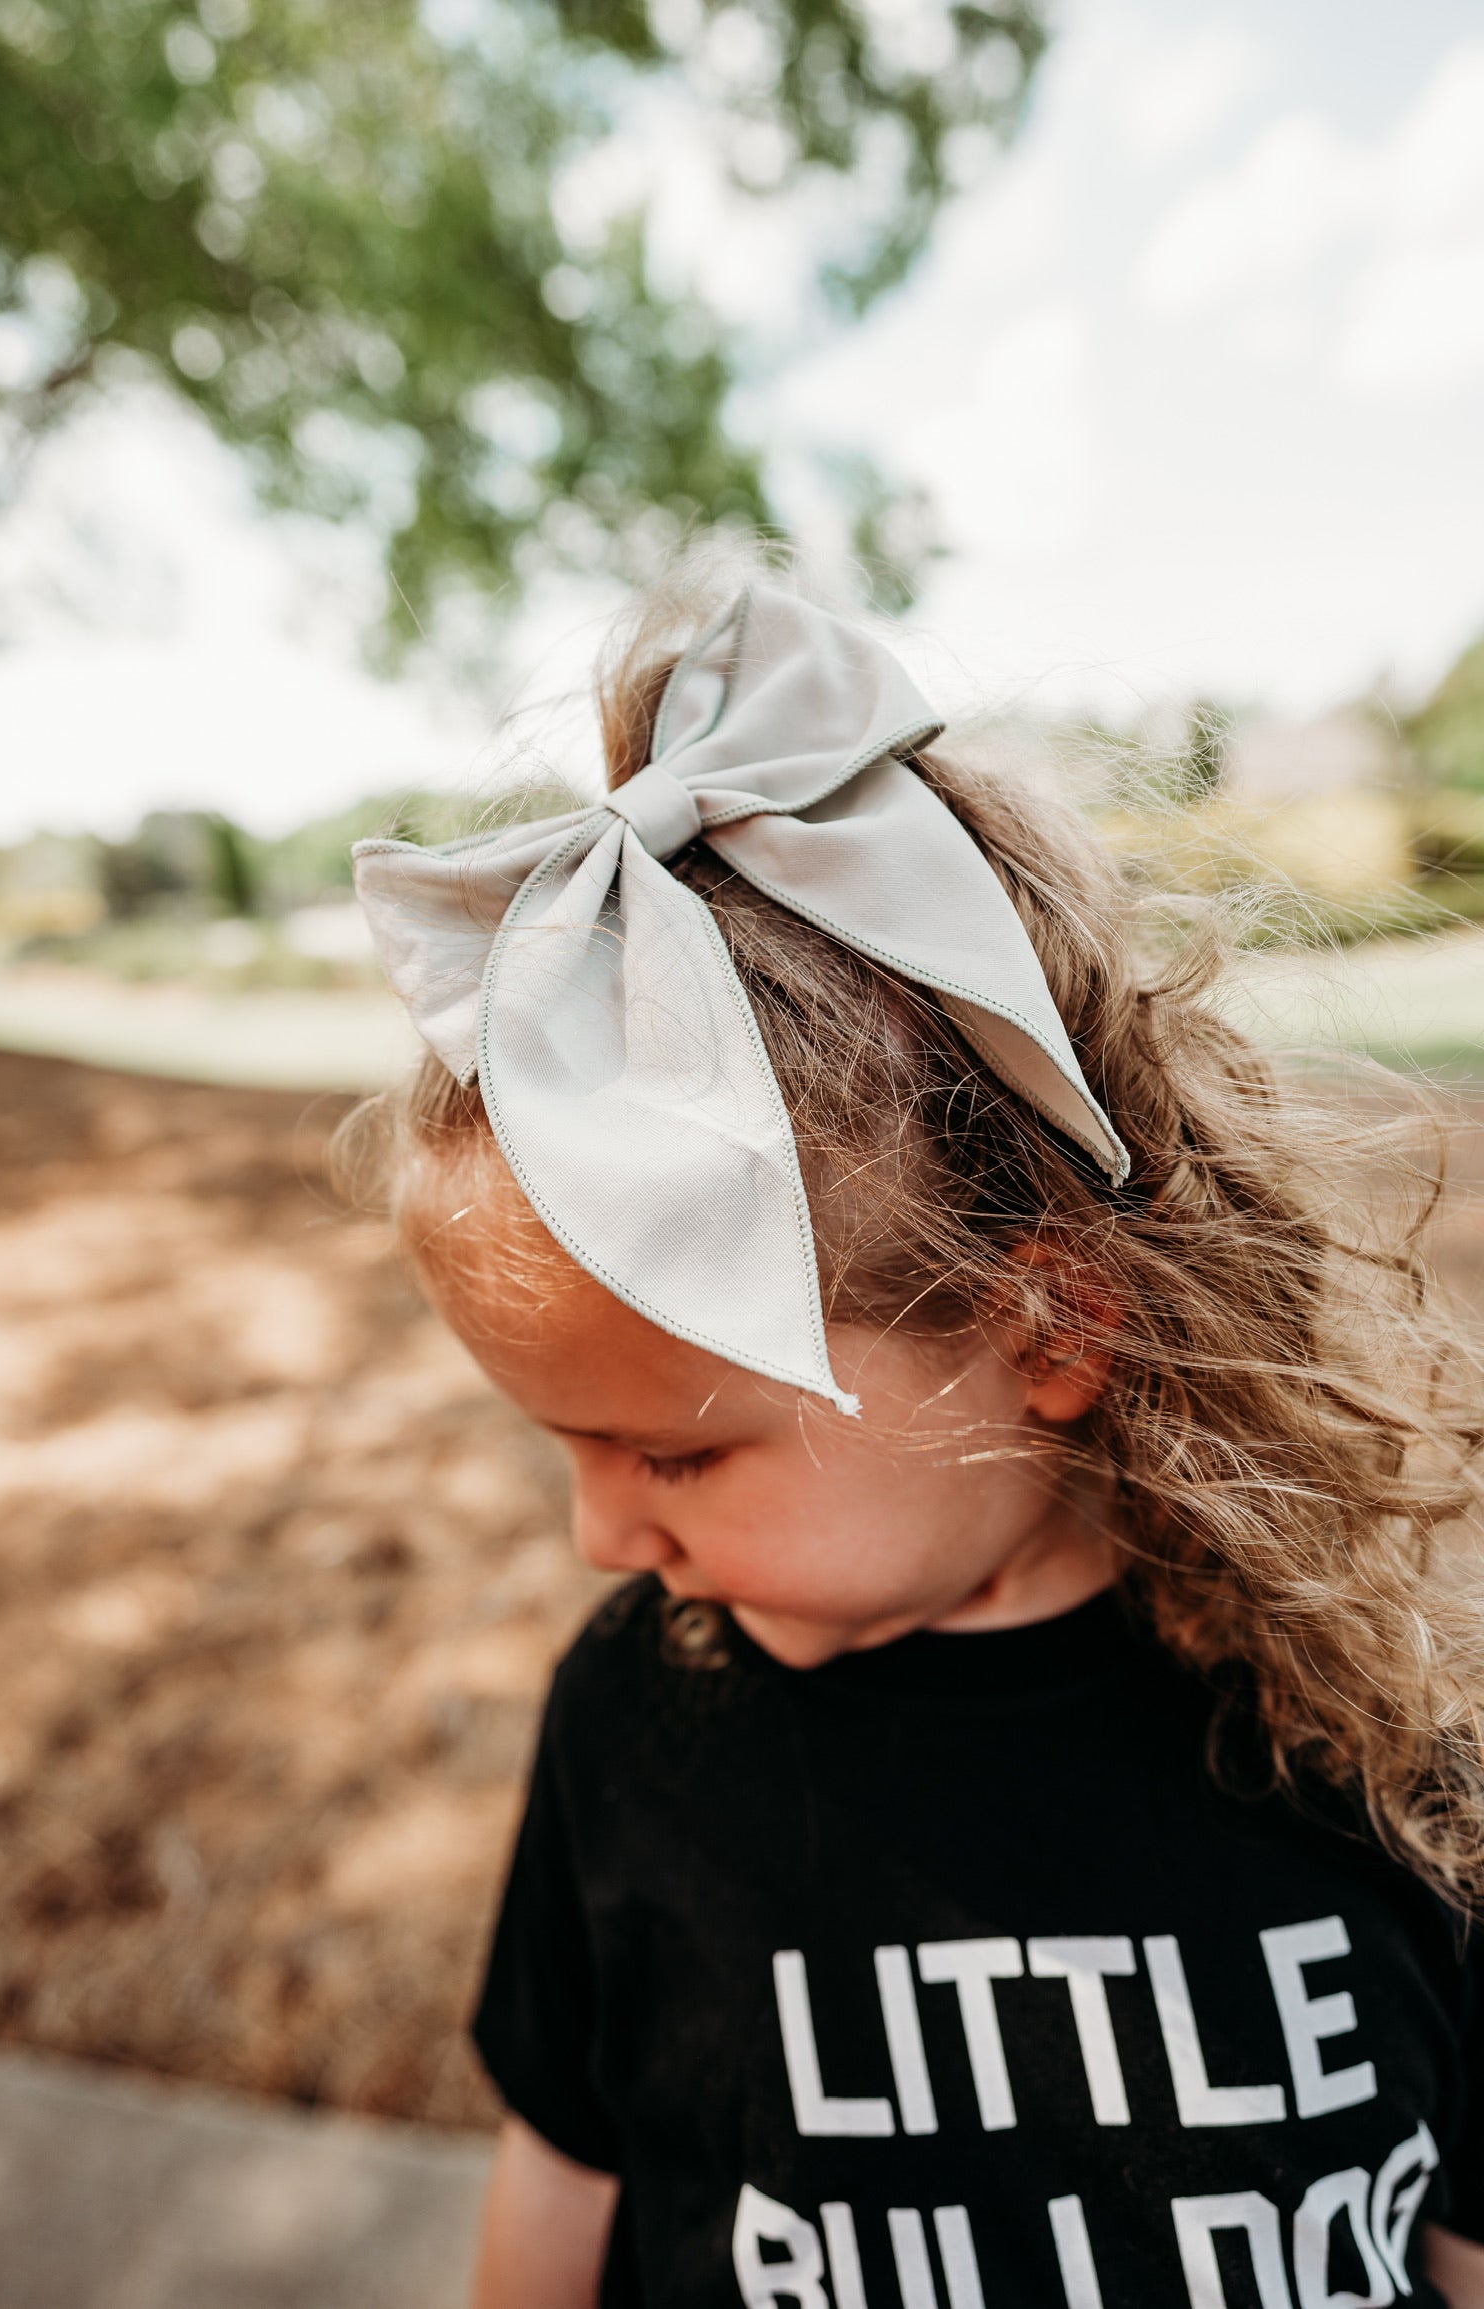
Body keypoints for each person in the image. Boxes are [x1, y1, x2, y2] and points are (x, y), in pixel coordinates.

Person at [351, 564, 1484, 2309]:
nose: (598, 1538)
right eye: (565, 1447)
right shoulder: (639, 1721)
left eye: (674, 1453)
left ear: (1045, 1329)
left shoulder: (1380, 1749)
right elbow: (563, 2199)